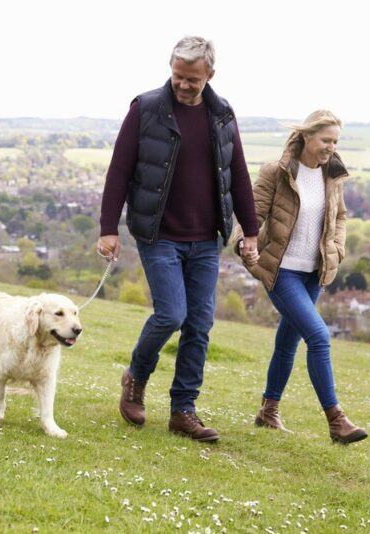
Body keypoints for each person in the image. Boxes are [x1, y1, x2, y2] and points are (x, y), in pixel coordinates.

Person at [97, 35, 259, 442]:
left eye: (193, 79)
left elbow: (237, 175)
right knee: (171, 314)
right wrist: (107, 228)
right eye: (178, 77)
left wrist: (251, 231)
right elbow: (119, 170)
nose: (184, 85)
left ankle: (183, 411)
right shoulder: (146, 108)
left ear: (210, 75)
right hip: (159, 234)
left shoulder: (222, 114)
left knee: (200, 324)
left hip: (206, 238)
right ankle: (135, 377)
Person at [231, 110, 368, 444]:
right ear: (307, 137)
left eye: (335, 141)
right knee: (319, 337)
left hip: (313, 274)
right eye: (325, 140)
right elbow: (253, 214)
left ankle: (267, 411)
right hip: (282, 271)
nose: (330, 147)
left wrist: (337, 248)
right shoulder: (275, 172)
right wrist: (242, 242)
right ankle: (337, 421)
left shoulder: (332, 176)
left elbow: (341, 216)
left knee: (287, 342)